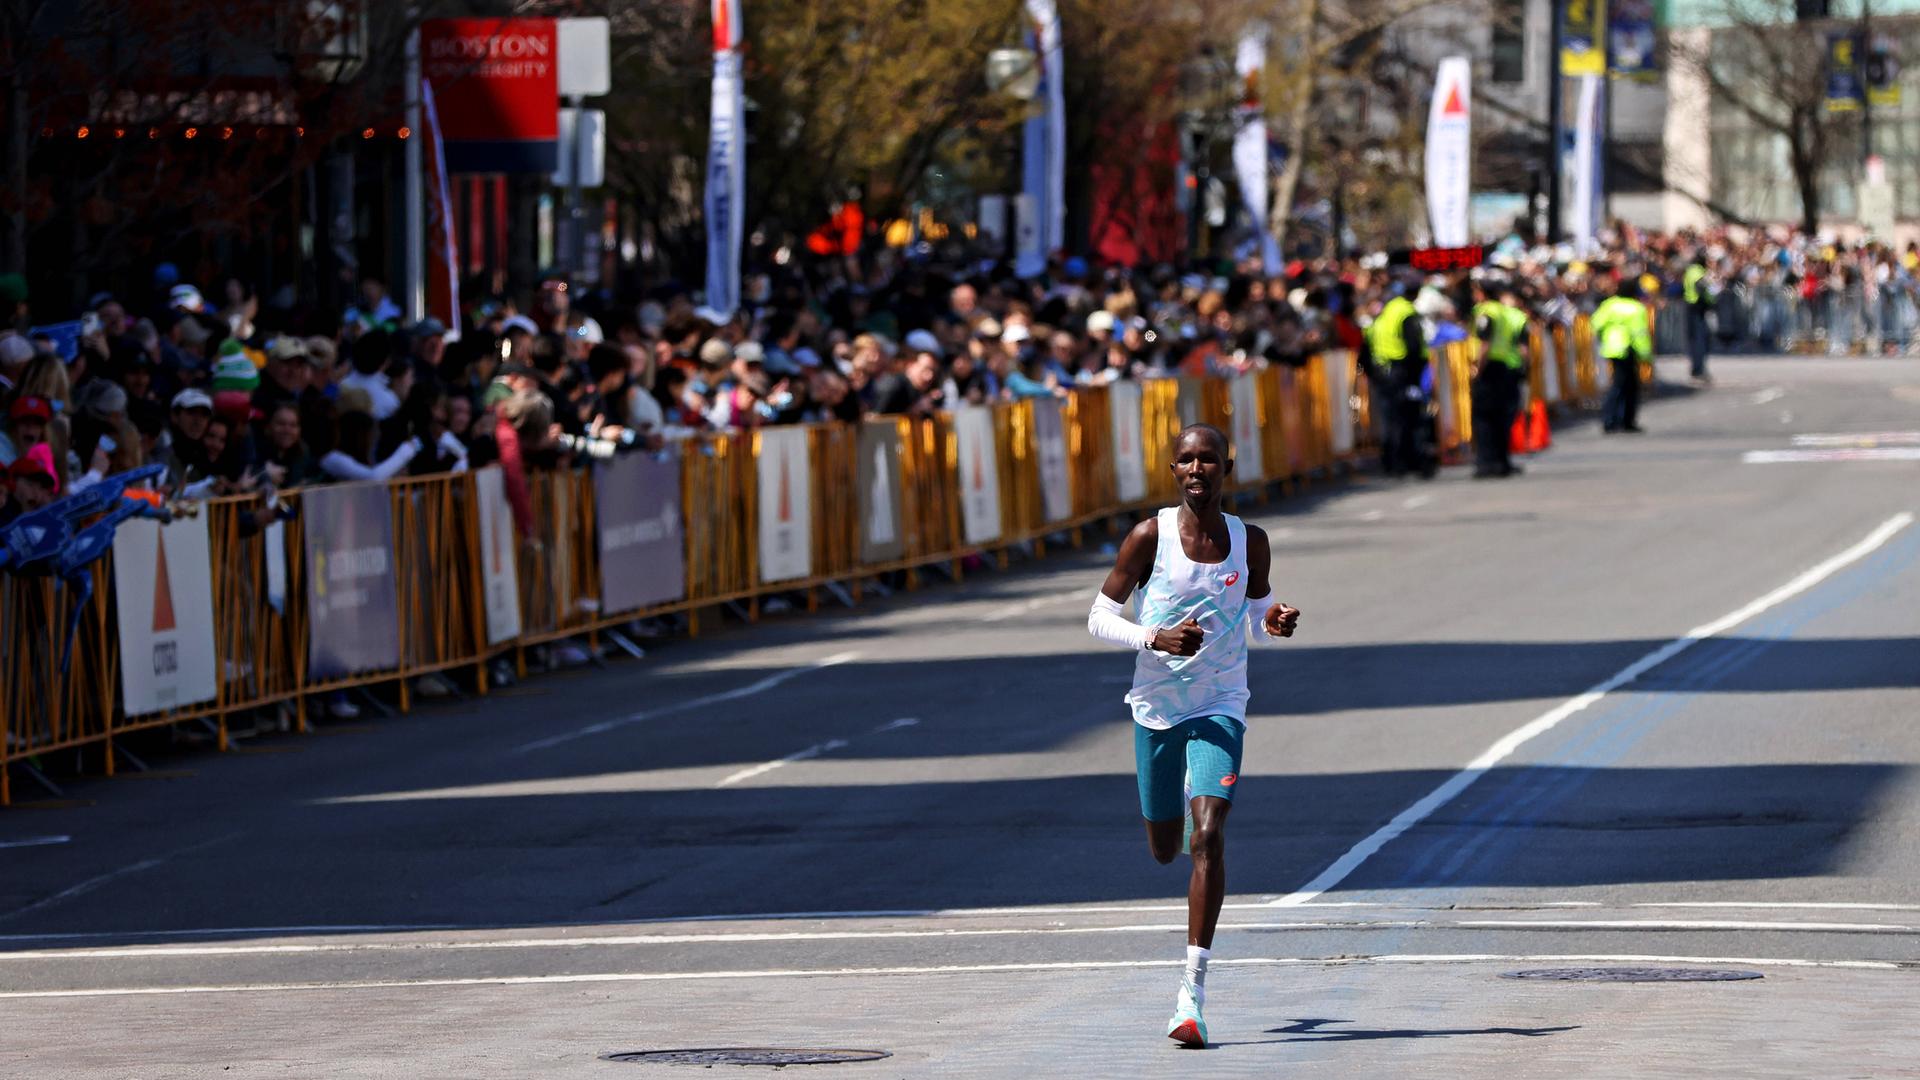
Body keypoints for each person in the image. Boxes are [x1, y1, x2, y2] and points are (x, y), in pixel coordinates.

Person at [1085, 423, 1301, 1049]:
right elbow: (1099, 617)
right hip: (1156, 707)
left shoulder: (1249, 540)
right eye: (1185, 460)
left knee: (1207, 836)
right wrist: (1154, 638)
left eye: (1207, 458)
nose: (1196, 468)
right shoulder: (1149, 537)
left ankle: (1191, 993)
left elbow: (1258, 613)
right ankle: (1173, 822)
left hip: (1220, 703)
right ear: (1173, 471)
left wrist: (1276, 620)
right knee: (1163, 845)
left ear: (1225, 467)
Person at [1361, 283, 1433, 479]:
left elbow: (1365, 354)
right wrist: (1414, 376)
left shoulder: (1379, 319)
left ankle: (1392, 462)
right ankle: (1411, 461)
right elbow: (1414, 346)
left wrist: (1375, 376)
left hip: (1383, 375)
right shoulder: (1405, 312)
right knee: (1409, 418)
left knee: (1389, 420)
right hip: (1403, 373)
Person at [1469, 277, 1530, 479]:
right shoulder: (1507, 313)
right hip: (1506, 368)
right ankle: (1501, 461)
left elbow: (1484, 344)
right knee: (1502, 418)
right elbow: (1522, 349)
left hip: (1490, 369)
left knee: (1485, 419)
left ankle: (1487, 463)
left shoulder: (1486, 312)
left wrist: (1477, 367)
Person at [1593, 277, 1653, 434]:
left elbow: (1596, 323)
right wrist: (1646, 355)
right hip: (1628, 349)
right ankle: (1625, 420)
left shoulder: (1609, 305)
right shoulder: (1636, 308)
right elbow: (1640, 334)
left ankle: (1610, 419)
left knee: (1618, 384)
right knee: (1628, 386)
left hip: (1611, 348)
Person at [1683, 250, 1713, 385]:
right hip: (1698, 307)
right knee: (1700, 340)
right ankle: (1699, 369)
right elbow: (1701, 290)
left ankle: (1695, 369)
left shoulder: (1690, 271)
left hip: (1689, 305)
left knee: (1694, 340)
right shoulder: (1699, 272)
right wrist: (1711, 301)